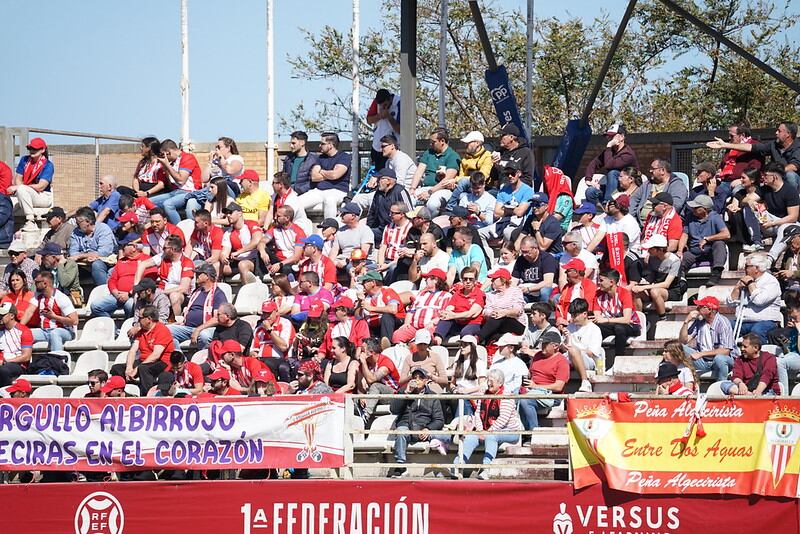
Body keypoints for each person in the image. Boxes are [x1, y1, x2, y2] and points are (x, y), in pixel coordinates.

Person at [451, 368, 523, 480]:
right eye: (488, 380)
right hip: (485, 430)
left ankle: (486, 468)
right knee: (470, 437)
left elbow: (503, 419)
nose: (489, 383)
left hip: (509, 430)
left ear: (500, 383)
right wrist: (480, 430)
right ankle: (457, 466)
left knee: (491, 437)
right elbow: (478, 414)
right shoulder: (484, 394)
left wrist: (487, 432)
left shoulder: (507, 395)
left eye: (492, 380)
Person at [387, 367, 444, 478]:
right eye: (414, 377)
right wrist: (406, 393)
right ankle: (400, 466)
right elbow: (393, 409)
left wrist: (428, 429)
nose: (417, 380)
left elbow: (439, 420)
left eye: (420, 377)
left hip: (423, 428)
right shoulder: (404, 392)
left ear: (426, 380)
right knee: (401, 431)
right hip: (406, 426)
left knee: (441, 436)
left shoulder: (433, 397)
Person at [708, 121, 800, 189]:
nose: (776, 133)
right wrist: (725, 145)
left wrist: (773, 173)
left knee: (790, 175)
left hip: (789, 180)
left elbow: (794, 166)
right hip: (773, 179)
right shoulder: (773, 145)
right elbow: (752, 148)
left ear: (788, 134)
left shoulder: (798, 146)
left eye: (779, 131)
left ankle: (793, 204)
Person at [117, 305, 174, 395]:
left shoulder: (162, 330)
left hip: (162, 362)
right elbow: (133, 350)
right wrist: (129, 367)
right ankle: (126, 394)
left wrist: (136, 369)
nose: (138, 320)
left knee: (143, 368)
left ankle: (146, 396)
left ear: (149, 319)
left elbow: (156, 355)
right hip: (144, 361)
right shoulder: (141, 332)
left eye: (140, 318)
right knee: (117, 369)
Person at [168, 262, 227, 349]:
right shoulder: (196, 292)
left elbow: (217, 319)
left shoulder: (218, 294)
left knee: (204, 336)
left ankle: (202, 359)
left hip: (207, 329)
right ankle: (180, 359)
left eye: (199, 274)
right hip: (188, 328)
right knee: (166, 331)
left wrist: (198, 329)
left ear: (207, 276)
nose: (196, 276)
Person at [518, 331, 569, 432]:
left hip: (551, 395)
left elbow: (559, 386)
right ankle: (518, 432)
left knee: (525, 401)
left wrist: (536, 386)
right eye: (542, 343)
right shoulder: (537, 355)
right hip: (533, 390)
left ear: (555, 346)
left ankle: (534, 432)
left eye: (546, 344)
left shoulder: (562, 361)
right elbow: (531, 374)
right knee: (512, 396)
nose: (542, 346)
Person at [135, 234, 194, 319]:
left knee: (174, 296)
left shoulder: (187, 262)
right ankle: (137, 321)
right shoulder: (163, 256)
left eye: (164, 248)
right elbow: (143, 265)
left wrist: (162, 292)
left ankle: (176, 321)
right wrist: (136, 285)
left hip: (181, 296)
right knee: (140, 294)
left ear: (173, 249)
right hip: (161, 291)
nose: (162, 250)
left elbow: (183, 288)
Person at [727, 252, 782, 344]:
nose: (744, 269)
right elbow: (730, 304)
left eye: (747, 266)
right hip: (744, 321)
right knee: (726, 326)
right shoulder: (745, 280)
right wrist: (737, 288)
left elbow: (759, 301)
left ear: (756, 268)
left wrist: (750, 284)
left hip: (766, 321)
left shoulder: (771, 282)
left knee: (757, 331)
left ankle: (761, 357)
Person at [91, 235, 151, 318]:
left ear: (134, 247)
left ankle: (127, 328)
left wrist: (130, 294)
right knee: (96, 306)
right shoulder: (121, 262)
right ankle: (113, 328)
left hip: (136, 295)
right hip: (117, 295)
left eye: (123, 246)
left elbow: (149, 280)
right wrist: (116, 294)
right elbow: (112, 280)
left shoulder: (147, 260)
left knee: (129, 305)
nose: (121, 249)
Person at [679, 295, 735, 382]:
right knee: (678, 347)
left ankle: (720, 386)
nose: (697, 308)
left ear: (710, 309)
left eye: (701, 307)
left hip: (719, 360)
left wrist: (701, 354)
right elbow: (683, 341)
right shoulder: (699, 321)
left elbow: (726, 351)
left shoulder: (723, 323)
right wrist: (686, 321)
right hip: (703, 361)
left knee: (719, 358)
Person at [592, 269, 641, 370]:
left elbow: (626, 319)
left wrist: (607, 320)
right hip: (612, 324)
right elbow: (597, 317)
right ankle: (595, 357)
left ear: (611, 282)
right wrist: (602, 320)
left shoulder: (624, 293)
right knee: (595, 328)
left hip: (631, 325)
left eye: (601, 280)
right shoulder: (598, 295)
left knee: (620, 328)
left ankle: (619, 361)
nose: (598, 283)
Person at [409, 127, 461, 216]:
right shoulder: (428, 153)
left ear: (442, 141)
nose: (430, 144)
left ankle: (431, 225)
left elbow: (446, 181)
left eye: (433, 142)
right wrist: (412, 188)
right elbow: (419, 171)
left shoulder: (453, 156)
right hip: (426, 188)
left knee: (432, 204)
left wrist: (429, 192)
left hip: (443, 190)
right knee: (408, 199)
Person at [478, 161, 533, 243]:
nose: (510, 176)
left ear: (519, 173)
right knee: (479, 233)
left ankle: (511, 255)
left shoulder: (528, 190)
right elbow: (496, 213)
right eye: (507, 174)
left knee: (507, 232)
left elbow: (520, 212)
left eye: (512, 173)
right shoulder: (503, 191)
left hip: (520, 225)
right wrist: (513, 210)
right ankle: (488, 255)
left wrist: (505, 209)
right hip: (502, 223)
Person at [633, 234, 687, 319]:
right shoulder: (652, 258)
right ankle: (639, 319)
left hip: (672, 290)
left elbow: (666, 284)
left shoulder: (675, 261)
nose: (648, 251)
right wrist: (643, 283)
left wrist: (645, 287)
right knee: (636, 291)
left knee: (655, 292)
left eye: (651, 248)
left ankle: (662, 318)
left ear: (660, 249)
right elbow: (651, 276)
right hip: (656, 286)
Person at [584, 123, 640, 204]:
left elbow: (609, 165)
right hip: (612, 189)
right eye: (608, 136)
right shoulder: (609, 151)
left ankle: (609, 203)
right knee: (590, 191)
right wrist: (588, 180)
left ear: (621, 137)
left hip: (627, 189)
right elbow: (594, 163)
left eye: (612, 136)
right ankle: (601, 208)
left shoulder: (628, 154)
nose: (609, 139)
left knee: (613, 172)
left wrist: (609, 146)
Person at [150, 139, 202, 224]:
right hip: (176, 192)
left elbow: (181, 180)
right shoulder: (173, 162)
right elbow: (171, 184)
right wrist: (165, 167)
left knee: (168, 204)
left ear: (168, 153)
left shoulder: (187, 157)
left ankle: (179, 230)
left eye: (164, 155)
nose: (164, 158)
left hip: (190, 192)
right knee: (148, 202)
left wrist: (167, 165)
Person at [300, 132, 351, 218]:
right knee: (296, 203)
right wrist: (330, 173)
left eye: (322, 143)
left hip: (338, 191)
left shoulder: (344, 157)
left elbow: (335, 175)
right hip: (319, 191)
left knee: (330, 200)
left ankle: (329, 228)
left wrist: (322, 171)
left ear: (330, 145)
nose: (319, 145)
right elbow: (314, 177)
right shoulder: (320, 157)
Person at [756, 164, 800, 263]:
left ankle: (770, 259)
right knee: (748, 209)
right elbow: (750, 199)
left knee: (789, 228)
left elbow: (793, 217)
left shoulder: (790, 191)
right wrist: (752, 203)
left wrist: (772, 223)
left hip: (784, 224)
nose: (763, 177)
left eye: (766, 175)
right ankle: (755, 241)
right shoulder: (764, 189)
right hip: (767, 223)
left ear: (775, 177)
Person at [392, 269, 451, 344]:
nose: (425, 281)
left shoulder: (445, 295)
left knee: (423, 337)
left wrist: (433, 322)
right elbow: (411, 311)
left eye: (427, 279)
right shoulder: (421, 294)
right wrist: (406, 323)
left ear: (435, 280)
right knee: (397, 335)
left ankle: (413, 349)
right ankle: (400, 349)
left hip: (430, 327)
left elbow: (444, 314)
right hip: (414, 327)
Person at [11, 137, 54, 231]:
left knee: (21, 189)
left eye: (35, 149)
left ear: (42, 150)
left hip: (43, 196)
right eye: (30, 148)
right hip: (26, 193)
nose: (32, 151)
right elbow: (18, 179)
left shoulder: (48, 165)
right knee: (7, 200)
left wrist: (20, 187)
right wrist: (19, 187)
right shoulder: (24, 160)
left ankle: (31, 221)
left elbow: (41, 187)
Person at [433, 266, 484, 343]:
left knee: (465, 332)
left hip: (473, 323)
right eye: (465, 279)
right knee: (445, 319)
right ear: (461, 280)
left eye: (471, 279)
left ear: (475, 280)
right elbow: (449, 308)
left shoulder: (479, 294)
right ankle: (437, 342)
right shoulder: (457, 293)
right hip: (458, 323)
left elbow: (471, 314)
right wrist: (446, 314)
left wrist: (453, 315)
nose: (468, 281)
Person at [68, 206, 118, 285]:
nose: (76, 224)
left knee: (97, 265)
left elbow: (103, 252)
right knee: (67, 264)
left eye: (79, 222)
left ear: (88, 221)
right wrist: (87, 256)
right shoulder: (76, 232)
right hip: (84, 263)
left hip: (106, 262)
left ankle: (104, 291)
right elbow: (73, 252)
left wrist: (80, 256)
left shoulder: (103, 229)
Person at [629, 159, 688, 225]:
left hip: (663, 224)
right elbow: (634, 199)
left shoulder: (677, 185)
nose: (650, 171)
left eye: (653, 169)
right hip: (640, 224)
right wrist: (631, 219)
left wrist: (656, 220)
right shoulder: (647, 184)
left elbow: (676, 205)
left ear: (662, 170)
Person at [30, 271, 78, 352]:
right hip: (44, 331)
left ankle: (57, 361)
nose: (35, 284)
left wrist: (54, 317)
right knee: (25, 334)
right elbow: (29, 312)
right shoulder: (38, 296)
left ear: (45, 284)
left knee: (54, 333)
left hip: (65, 331)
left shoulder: (61, 297)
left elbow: (74, 320)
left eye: (37, 282)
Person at [561, 298, 602, 392]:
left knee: (573, 351)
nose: (572, 318)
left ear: (584, 314)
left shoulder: (594, 329)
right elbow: (564, 348)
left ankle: (585, 381)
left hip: (588, 360)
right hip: (569, 357)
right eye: (571, 315)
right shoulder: (570, 327)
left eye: (575, 315)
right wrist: (565, 344)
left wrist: (576, 351)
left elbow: (592, 353)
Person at [358, 337, 401, 426]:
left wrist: (364, 363)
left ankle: (365, 415)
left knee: (376, 385)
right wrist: (361, 395)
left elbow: (371, 379)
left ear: (370, 352)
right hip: (374, 395)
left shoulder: (385, 362)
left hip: (393, 395)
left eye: (362, 350)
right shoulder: (365, 364)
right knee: (355, 399)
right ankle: (356, 419)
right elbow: (360, 383)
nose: (360, 352)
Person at [356, 271, 405, 345]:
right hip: (374, 327)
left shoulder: (387, 291)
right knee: (361, 322)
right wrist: (360, 302)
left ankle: (386, 345)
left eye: (365, 282)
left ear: (373, 282)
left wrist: (371, 308)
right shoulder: (365, 296)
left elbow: (393, 309)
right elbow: (357, 316)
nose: (362, 284)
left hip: (394, 323)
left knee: (387, 316)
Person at [366, 167, 414, 244]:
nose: (378, 182)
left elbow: (410, 213)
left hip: (398, 230)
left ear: (388, 181)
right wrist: (367, 228)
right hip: (381, 229)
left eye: (380, 179)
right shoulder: (378, 193)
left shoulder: (400, 191)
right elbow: (372, 212)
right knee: (364, 234)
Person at [478, 269, 526, 344]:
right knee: (493, 333)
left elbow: (518, 310)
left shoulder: (515, 291)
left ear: (503, 281)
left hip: (515, 323)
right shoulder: (490, 295)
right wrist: (491, 313)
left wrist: (504, 312)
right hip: (497, 323)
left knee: (500, 317)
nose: (492, 281)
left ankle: (478, 338)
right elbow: (486, 310)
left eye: (494, 279)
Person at [251, 301, 296, 381]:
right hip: (261, 360)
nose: (266, 316)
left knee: (268, 363)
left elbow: (283, 347)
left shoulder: (285, 323)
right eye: (264, 313)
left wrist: (269, 330)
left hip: (281, 359)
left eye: (269, 313)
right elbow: (253, 349)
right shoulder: (259, 328)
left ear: (276, 312)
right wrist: (254, 354)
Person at [220, 202, 263, 283]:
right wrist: (223, 258)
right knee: (217, 266)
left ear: (239, 213)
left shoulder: (251, 224)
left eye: (230, 212)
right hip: (238, 261)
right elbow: (225, 251)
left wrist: (238, 252)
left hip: (255, 260)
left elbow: (257, 241)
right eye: (226, 213)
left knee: (242, 265)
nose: (228, 215)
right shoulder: (228, 232)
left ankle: (247, 291)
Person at [447, 334, 487, 415]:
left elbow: (482, 385)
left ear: (472, 347)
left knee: (464, 400)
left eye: (465, 345)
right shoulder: (457, 363)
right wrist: (455, 390)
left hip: (472, 396)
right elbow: (452, 383)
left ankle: (457, 423)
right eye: (461, 345)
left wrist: (466, 391)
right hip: (458, 394)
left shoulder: (479, 363)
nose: (462, 347)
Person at [376, 202, 414, 284]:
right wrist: (381, 263)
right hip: (386, 260)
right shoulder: (389, 227)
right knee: (369, 269)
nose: (390, 215)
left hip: (398, 262)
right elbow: (383, 246)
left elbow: (404, 253)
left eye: (393, 213)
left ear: (401, 214)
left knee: (393, 269)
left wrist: (387, 266)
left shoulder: (410, 228)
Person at [513, 237, 557, 303]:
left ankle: (543, 311)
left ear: (535, 248)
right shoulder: (520, 260)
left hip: (543, 290)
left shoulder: (547, 258)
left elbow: (548, 282)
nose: (524, 255)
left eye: (527, 252)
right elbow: (513, 281)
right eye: (522, 252)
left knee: (544, 292)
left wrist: (529, 289)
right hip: (527, 293)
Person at [555, 258, 597, 325]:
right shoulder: (567, 287)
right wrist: (559, 318)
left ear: (576, 272)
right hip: (565, 323)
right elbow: (560, 306)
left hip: (581, 324)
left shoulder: (589, 286)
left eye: (568, 271)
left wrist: (571, 321)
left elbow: (587, 308)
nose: (565, 273)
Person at [0, 302, 33, 387]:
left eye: (2, 315)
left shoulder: (24, 331)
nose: (0, 317)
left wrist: (6, 361)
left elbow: (26, 356)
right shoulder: (0, 331)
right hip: (3, 363)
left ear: (12, 316)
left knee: (3, 371)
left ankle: (4, 396)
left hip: (19, 365)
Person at [366, 89, 401, 170]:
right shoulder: (376, 102)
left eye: (385, 104)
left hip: (394, 146)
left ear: (389, 99)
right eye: (380, 105)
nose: (383, 106)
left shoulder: (399, 103)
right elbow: (369, 120)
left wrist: (389, 116)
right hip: (378, 146)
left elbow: (399, 129)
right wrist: (379, 116)